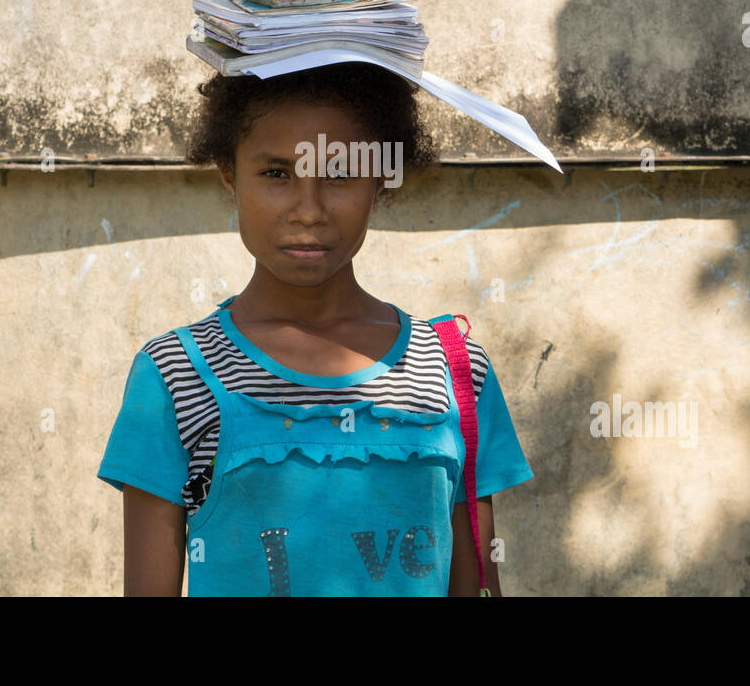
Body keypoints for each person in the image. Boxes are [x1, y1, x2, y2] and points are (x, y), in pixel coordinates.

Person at [97, 62, 533, 595]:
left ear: (381, 178)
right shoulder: (176, 373)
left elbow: (476, 583)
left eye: (341, 173)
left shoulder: (454, 368)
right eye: (277, 173)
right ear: (229, 174)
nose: (309, 210)